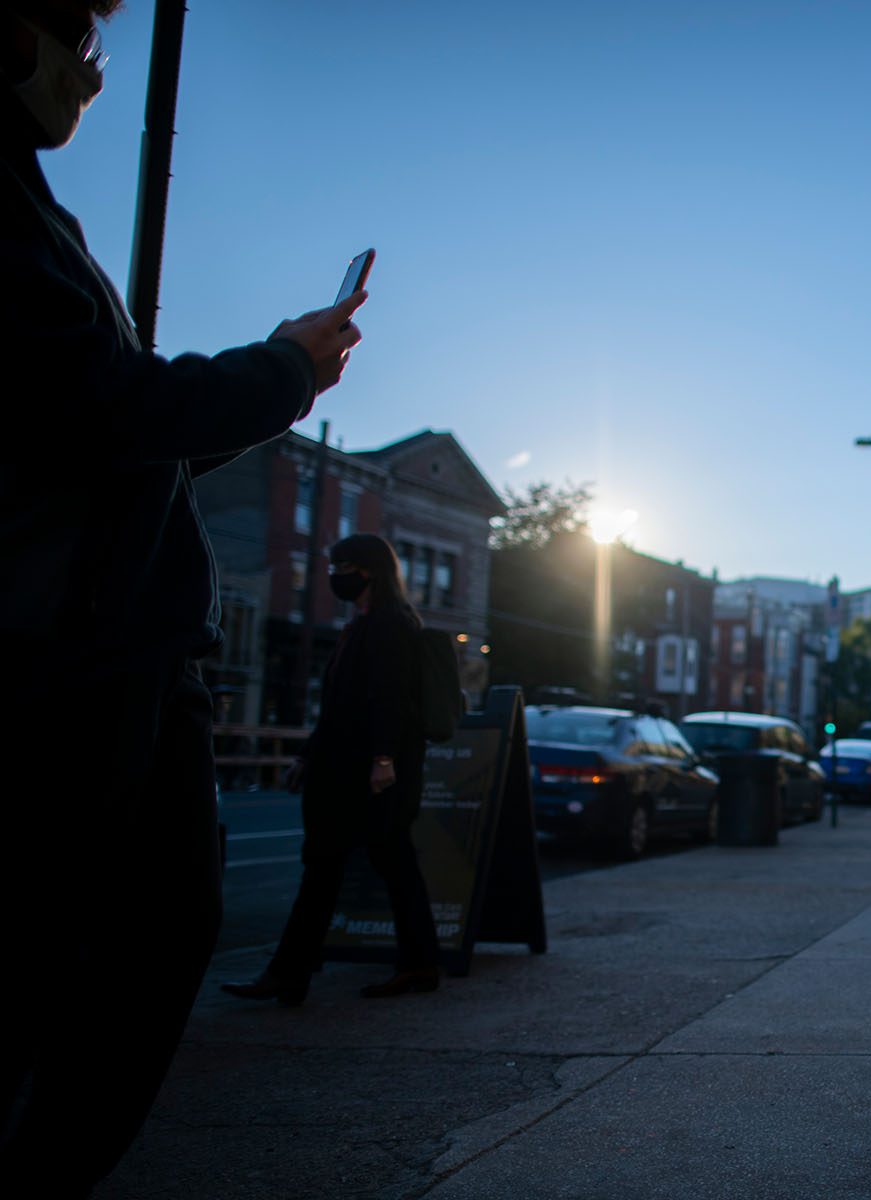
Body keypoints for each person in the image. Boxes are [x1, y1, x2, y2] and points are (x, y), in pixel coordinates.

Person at [0, 0, 367, 1189]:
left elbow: (105, 432)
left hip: (113, 652)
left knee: (140, 939)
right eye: (85, 42)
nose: (96, 80)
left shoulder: (27, 206)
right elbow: (111, 408)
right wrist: (281, 372)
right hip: (75, 658)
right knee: (112, 944)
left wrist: (273, 376)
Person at [223, 534, 441, 1005]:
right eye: (332, 565)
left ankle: (303, 971)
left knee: (366, 866)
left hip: (366, 772)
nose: (334, 575)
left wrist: (383, 759)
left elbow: (390, 698)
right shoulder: (360, 625)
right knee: (340, 866)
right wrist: (307, 755)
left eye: (343, 566)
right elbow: (339, 706)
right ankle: (297, 971)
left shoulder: (389, 624)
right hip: (342, 767)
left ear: (369, 571)